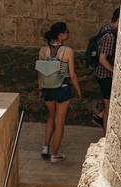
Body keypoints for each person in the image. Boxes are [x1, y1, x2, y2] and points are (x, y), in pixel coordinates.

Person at [38, 22, 81, 163]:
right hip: (62, 88)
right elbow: (72, 75)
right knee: (60, 121)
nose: (68, 34)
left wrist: (40, 89)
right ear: (61, 35)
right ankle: (55, 154)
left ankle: (45, 147)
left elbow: (40, 73)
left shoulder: (43, 50)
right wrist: (78, 89)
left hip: (47, 88)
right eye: (67, 32)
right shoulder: (68, 51)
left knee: (51, 115)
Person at [92, 8, 120, 132]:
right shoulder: (110, 36)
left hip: (103, 75)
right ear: (119, 20)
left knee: (109, 105)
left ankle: (100, 117)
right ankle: (105, 137)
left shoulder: (106, 27)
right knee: (108, 106)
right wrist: (115, 71)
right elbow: (102, 59)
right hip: (105, 76)